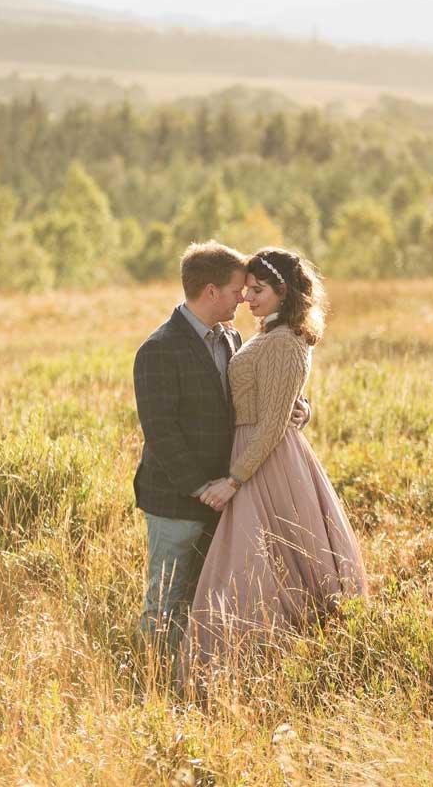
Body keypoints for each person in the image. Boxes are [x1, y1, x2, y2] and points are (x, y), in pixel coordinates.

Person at [182, 246, 367, 678]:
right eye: (245, 289)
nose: (247, 298)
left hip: (266, 462)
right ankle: (250, 667)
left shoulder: (286, 341)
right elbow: (278, 402)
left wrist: (234, 479)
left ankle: (263, 665)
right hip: (255, 452)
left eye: (258, 290)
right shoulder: (270, 333)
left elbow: (271, 425)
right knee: (259, 563)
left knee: (262, 563)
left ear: (283, 291)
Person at [132, 242, 308, 666]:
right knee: (165, 598)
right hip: (178, 498)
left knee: (207, 598)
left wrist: (295, 408)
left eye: (250, 291)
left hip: (227, 496)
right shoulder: (159, 348)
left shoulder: (231, 337)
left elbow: (253, 397)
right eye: (236, 291)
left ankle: (193, 680)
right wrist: (202, 487)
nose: (243, 298)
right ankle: (153, 682)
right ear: (210, 292)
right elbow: (161, 433)